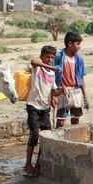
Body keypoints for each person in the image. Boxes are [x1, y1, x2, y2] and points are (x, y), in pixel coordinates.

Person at [24, 45, 59, 176]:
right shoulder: (37, 68)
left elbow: (53, 90)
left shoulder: (52, 74)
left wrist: (60, 93)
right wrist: (51, 67)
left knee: (46, 136)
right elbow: (33, 61)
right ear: (42, 57)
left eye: (52, 58)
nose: (50, 60)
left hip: (45, 107)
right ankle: (28, 164)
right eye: (47, 57)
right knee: (34, 135)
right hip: (33, 106)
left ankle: (38, 164)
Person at [54, 31, 89, 128]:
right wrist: (54, 93)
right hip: (63, 91)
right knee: (61, 119)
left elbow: (81, 78)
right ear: (70, 44)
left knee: (75, 118)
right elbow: (51, 74)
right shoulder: (58, 56)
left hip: (76, 91)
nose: (79, 47)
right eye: (77, 44)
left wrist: (85, 98)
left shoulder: (79, 59)